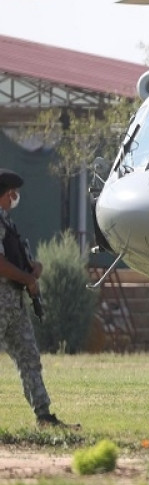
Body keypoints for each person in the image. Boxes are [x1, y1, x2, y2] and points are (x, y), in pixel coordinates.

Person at [0, 169, 78, 429]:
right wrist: (27, 278)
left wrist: (34, 270)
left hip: (14, 305)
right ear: (6, 193)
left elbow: (19, 260)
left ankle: (44, 416)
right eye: (14, 192)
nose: (16, 196)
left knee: (29, 358)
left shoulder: (7, 224)